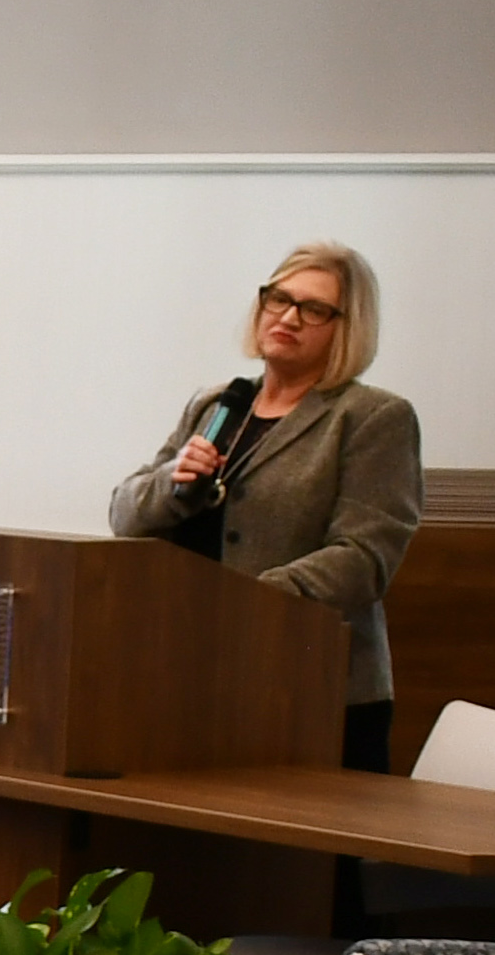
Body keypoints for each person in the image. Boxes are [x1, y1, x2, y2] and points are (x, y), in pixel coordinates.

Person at [101, 240, 425, 775]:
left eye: (313, 309)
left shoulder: (371, 417)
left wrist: (248, 603)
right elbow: (124, 517)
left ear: (348, 326)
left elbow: (365, 557)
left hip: (311, 688)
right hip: (193, 674)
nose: (288, 317)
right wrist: (175, 486)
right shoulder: (218, 403)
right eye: (279, 299)